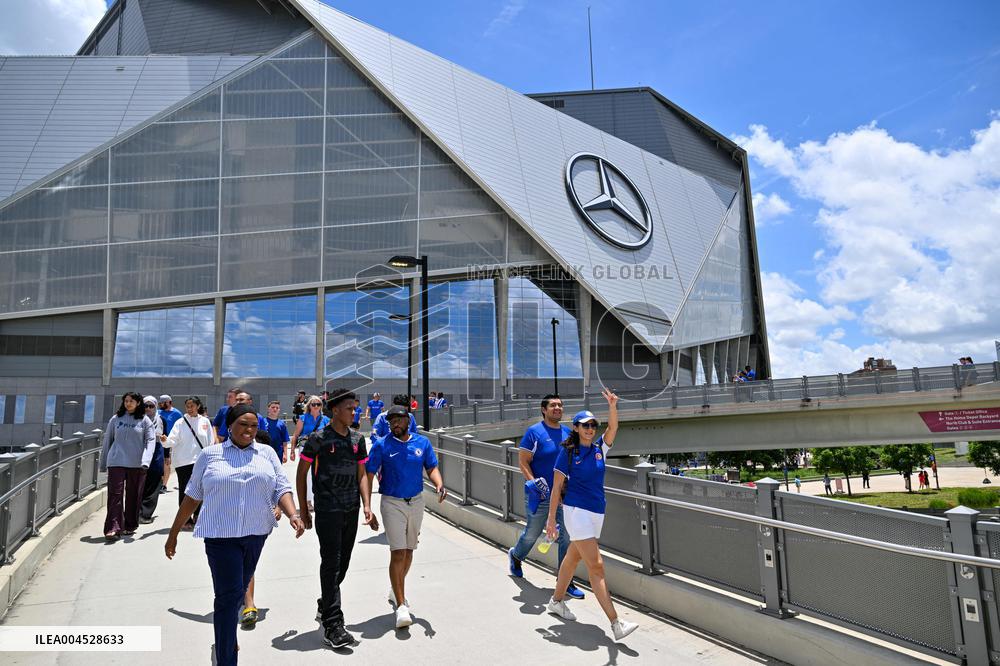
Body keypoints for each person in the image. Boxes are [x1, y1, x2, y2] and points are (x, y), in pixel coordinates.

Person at [164, 405, 304, 666]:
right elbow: (193, 495)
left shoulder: (267, 453)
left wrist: (293, 514)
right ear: (229, 426)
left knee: (237, 593)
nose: (249, 430)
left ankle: (226, 636)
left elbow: (281, 487)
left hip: (256, 534)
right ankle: (227, 656)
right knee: (228, 597)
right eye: (243, 424)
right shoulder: (210, 455)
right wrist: (173, 534)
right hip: (220, 537)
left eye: (253, 426)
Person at [544, 389, 638, 642]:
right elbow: (555, 488)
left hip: (597, 512)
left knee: (572, 559)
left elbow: (614, 429)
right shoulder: (568, 453)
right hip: (576, 512)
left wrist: (613, 405)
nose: (590, 429)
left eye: (593, 425)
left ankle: (556, 601)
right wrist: (551, 519)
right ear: (575, 428)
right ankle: (616, 623)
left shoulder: (599, 450)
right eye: (585, 425)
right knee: (596, 566)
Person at [298, 389, 378, 648]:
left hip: (351, 508)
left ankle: (325, 602)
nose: (354, 412)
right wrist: (303, 509)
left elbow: (362, 473)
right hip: (327, 509)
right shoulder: (318, 438)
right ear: (335, 410)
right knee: (331, 563)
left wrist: (367, 505)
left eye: (355, 408)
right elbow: (301, 474)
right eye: (350, 408)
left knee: (342, 564)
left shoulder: (357, 439)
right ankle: (333, 624)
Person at [365, 405, 447, 629]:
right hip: (392, 502)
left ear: (408, 420)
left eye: (399, 420)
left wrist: (439, 484)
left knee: (409, 551)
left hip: (416, 502)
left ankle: (395, 588)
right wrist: (366, 506)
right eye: (392, 421)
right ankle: (401, 605)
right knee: (398, 551)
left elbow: (431, 467)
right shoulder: (382, 445)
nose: (395, 424)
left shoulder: (422, 443)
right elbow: (369, 473)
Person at [508, 394, 584, 600]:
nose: (557, 408)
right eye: (553, 405)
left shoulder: (569, 433)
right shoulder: (534, 433)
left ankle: (565, 580)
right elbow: (523, 461)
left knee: (567, 537)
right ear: (544, 409)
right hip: (539, 495)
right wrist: (535, 484)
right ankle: (516, 556)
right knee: (532, 534)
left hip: (563, 496)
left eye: (560, 405)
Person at [99, 392, 156, 541]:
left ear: (138, 403)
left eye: (131, 401)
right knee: (115, 495)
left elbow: (150, 441)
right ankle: (113, 528)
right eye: (126, 401)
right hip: (116, 461)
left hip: (137, 464)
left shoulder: (145, 421)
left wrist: (146, 461)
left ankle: (130, 525)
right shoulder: (115, 419)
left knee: (133, 495)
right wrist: (103, 462)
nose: (128, 403)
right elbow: (107, 440)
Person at [164, 396, 214, 531]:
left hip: (201, 460)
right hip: (183, 461)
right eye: (187, 406)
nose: (190, 408)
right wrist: (165, 441)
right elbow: (172, 440)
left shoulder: (205, 421)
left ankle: (198, 515)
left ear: (198, 406)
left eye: (192, 406)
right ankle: (185, 519)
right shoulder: (180, 422)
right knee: (185, 490)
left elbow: (210, 441)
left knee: (201, 489)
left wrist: (210, 457)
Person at [138, 396, 166, 524]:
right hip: (140, 453)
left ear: (155, 407)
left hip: (156, 454)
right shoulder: (137, 419)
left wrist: (167, 457)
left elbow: (164, 438)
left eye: (151, 406)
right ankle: (136, 511)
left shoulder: (160, 420)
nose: (148, 409)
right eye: (146, 406)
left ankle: (146, 513)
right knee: (138, 484)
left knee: (154, 484)